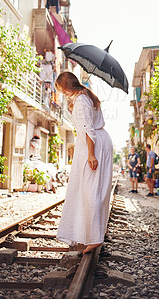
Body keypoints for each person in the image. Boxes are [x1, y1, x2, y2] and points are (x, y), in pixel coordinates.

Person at [55, 72, 113, 254]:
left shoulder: (81, 100)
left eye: (62, 89)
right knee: (93, 189)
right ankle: (92, 234)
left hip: (93, 145)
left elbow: (88, 129)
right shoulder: (85, 96)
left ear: (67, 86)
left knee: (90, 190)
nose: (62, 93)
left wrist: (91, 154)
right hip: (97, 143)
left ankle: (94, 237)